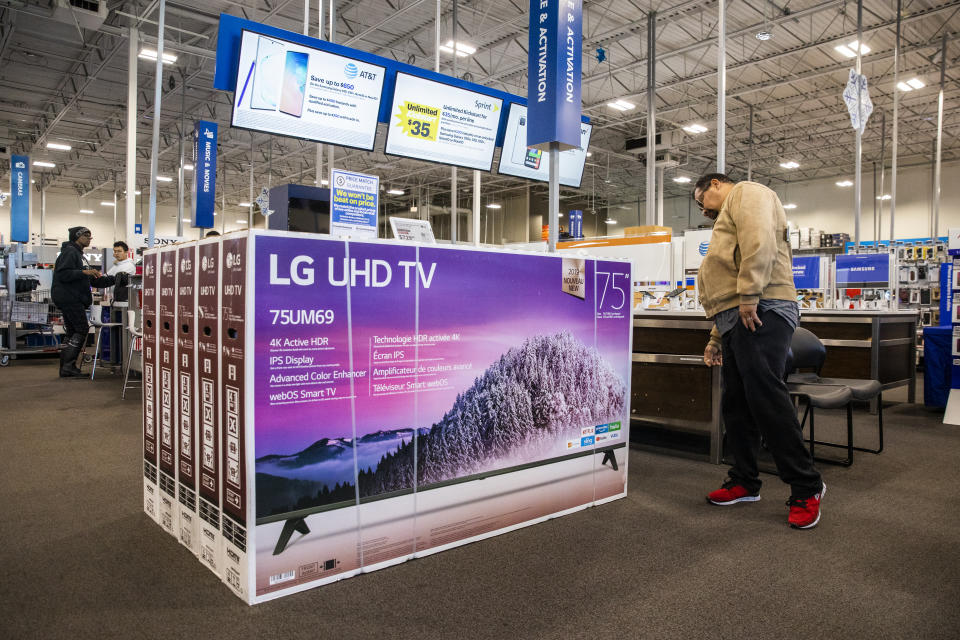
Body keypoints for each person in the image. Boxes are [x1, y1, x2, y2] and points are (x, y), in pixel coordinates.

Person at [693, 173, 825, 529]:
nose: (701, 208)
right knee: (736, 401)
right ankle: (745, 481)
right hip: (739, 313)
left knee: (764, 394)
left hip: (762, 306)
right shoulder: (728, 213)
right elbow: (727, 284)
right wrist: (717, 337)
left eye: (700, 198)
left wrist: (750, 295)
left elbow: (759, 242)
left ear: (716, 184)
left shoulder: (748, 193)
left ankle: (806, 486)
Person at [52, 227, 122, 378]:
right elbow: (63, 274)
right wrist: (84, 272)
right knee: (81, 329)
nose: (89, 238)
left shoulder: (78, 254)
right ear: (77, 237)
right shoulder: (70, 252)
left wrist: (115, 279)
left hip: (71, 298)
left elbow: (91, 279)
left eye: (90, 236)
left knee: (72, 332)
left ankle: (66, 367)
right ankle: (68, 367)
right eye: (86, 235)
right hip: (70, 298)